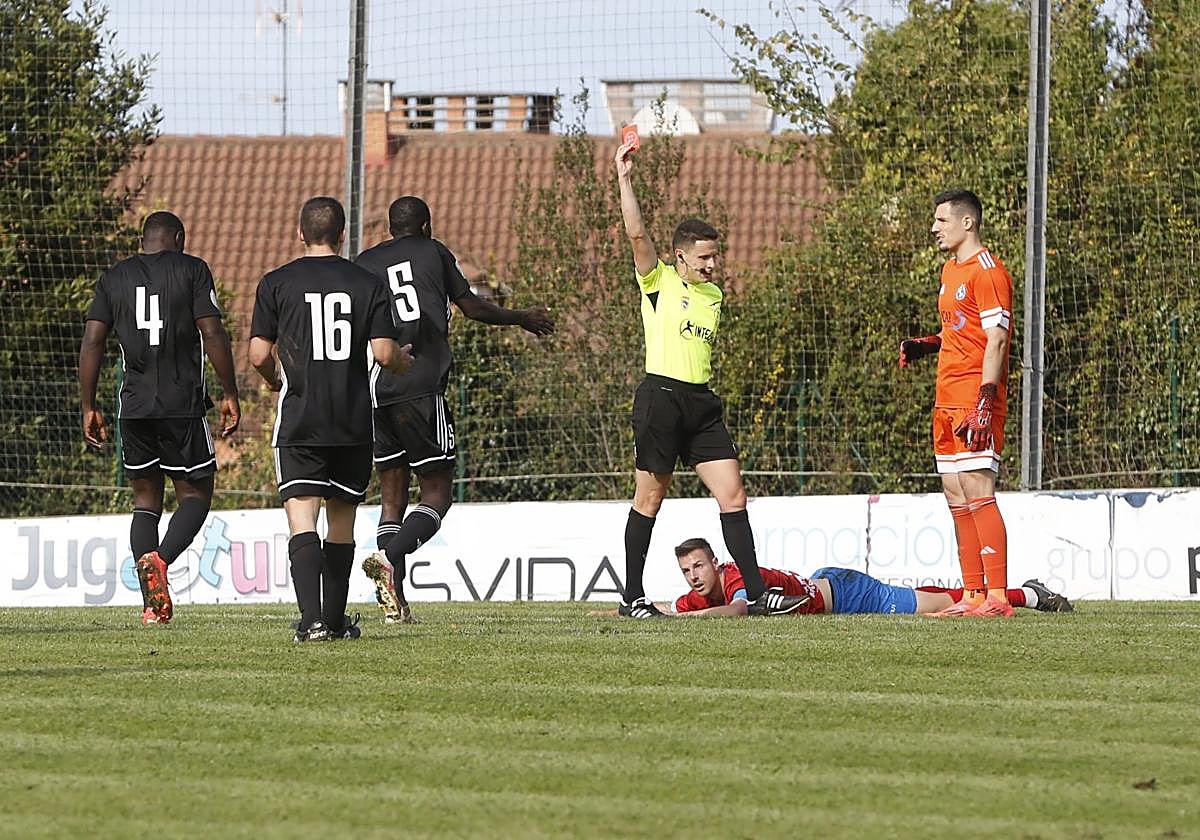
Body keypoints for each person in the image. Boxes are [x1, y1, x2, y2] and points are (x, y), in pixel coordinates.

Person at [613, 140, 803, 620]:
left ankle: (758, 594)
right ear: (679, 257)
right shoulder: (658, 282)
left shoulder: (713, 294)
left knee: (733, 493)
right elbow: (637, 235)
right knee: (650, 498)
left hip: (700, 403)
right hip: (660, 398)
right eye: (703, 259)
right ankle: (632, 597)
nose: (712, 265)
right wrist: (624, 177)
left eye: (714, 257)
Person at [353, 196, 554, 624]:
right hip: (422, 385)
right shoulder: (434, 251)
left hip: (378, 389)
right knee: (437, 495)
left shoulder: (365, 262)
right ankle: (390, 557)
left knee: (392, 501)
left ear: (390, 228)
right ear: (425, 225)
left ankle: (396, 605)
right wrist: (520, 317)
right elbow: (473, 306)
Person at [248, 197, 412, 642]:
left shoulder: (276, 282)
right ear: (342, 236)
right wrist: (400, 361)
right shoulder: (367, 283)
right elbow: (382, 352)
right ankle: (337, 622)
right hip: (353, 421)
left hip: (300, 419)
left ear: (300, 234)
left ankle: (312, 622)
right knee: (341, 522)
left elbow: (258, 353)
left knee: (303, 520)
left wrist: (273, 380)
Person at [79, 211, 241, 626]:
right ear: (179, 238)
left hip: (133, 409)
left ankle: (154, 605)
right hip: (181, 405)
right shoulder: (193, 270)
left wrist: (88, 405)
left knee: (145, 502)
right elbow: (213, 332)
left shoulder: (114, 277)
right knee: (195, 497)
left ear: (144, 239)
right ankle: (162, 560)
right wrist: (229, 391)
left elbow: (93, 340)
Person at [899, 189, 1015, 618]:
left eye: (941, 221)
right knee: (953, 491)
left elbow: (998, 339)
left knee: (977, 487)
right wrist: (925, 344)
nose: (934, 228)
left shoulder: (989, 271)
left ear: (967, 223)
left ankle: (998, 597)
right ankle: (972, 596)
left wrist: (986, 397)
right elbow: (960, 332)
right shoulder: (950, 270)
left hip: (973, 395)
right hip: (945, 395)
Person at [663, 537, 1072, 617]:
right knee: (923, 597)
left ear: (715, 563)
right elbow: (665, 607)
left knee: (942, 605)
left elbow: (738, 610)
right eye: (686, 571)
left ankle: (1027, 594)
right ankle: (1024, 593)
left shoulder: (732, 575)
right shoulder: (698, 595)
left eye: (698, 566)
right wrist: (624, 612)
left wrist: (683, 619)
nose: (693, 576)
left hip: (845, 594)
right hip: (823, 583)